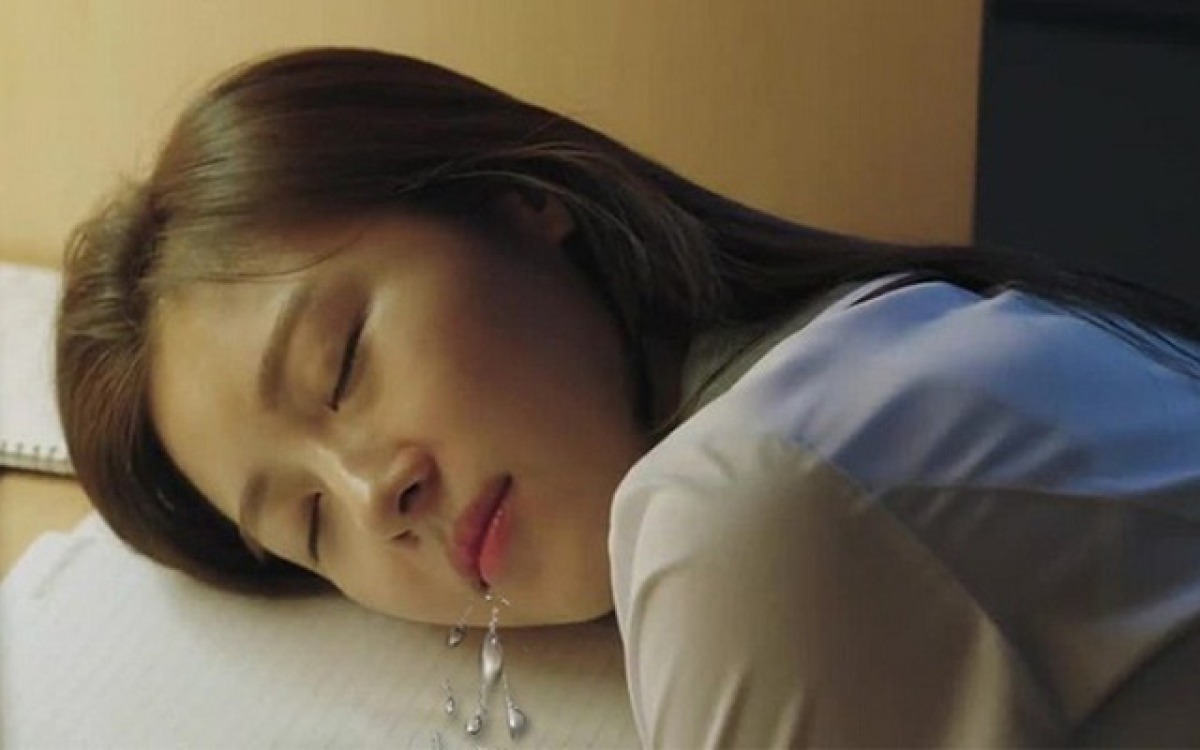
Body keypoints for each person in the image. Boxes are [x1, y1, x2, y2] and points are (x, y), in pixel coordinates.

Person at [56, 47, 1200, 747]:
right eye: (309, 525)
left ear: (517, 200)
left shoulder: (749, 508)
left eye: (342, 364)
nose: (373, 496)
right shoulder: (900, 339)